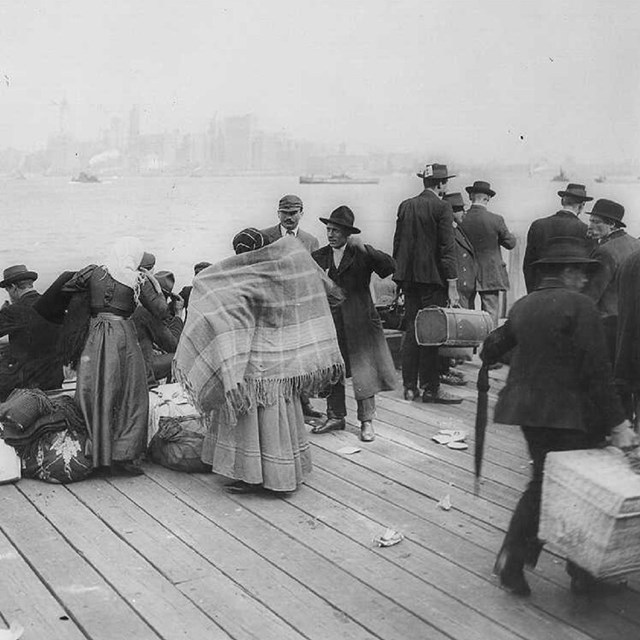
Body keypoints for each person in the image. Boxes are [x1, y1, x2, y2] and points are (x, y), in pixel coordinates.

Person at [481, 236, 636, 597]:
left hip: (526, 412)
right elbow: (597, 373)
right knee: (578, 488)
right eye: (581, 273)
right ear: (566, 272)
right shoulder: (581, 307)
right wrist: (619, 424)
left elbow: (493, 347)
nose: (584, 280)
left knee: (544, 481)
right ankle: (579, 572)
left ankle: (517, 560)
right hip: (569, 415)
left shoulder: (523, 305)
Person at [174, 228, 344, 493]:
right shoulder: (282, 272)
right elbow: (326, 294)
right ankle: (283, 474)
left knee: (253, 423)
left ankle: (255, 478)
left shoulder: (244, 279)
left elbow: (225, 310)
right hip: (282, 360)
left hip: (257, 364)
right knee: (278, 419)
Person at [61, 237, 173, 476]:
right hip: (122, 336)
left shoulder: (94, 273)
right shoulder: (138, 279)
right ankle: (121, 456)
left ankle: (95, 453)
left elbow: (68, 286)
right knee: (130, 393)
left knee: (93, 390)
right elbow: (161, 311)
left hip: (94, 335)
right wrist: (153, 281)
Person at [311, 206, 396, 442]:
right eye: (328, 229)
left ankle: (366, 422)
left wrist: (365, 248)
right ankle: (335, 416)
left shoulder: (361, 253)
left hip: (360, 321)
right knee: (333, 370)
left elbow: (389, 267)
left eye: (336, 230)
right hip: (332, 323)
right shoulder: (319, 257)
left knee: (364, 371)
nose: (330, 234)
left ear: (348, 234)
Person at [392, 162, 462, 404]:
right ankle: (431, 388)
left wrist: (400, 279)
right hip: (433, 282)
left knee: (411, 331)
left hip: (409, 280)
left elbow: (398, 244)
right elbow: (447, 250)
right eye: (446, 183)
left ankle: (409, 387)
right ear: (441, 184)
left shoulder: (406, 205)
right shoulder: (443, 207)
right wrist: (452, 285)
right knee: (430, 333)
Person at [261, 194, 323, 419]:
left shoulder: (311, 241)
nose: (289, 217)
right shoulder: (265, 236)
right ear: (278, 213)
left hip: (300, 307)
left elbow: (315, 275)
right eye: (285, 213)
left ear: (301, 214)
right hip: (273, 306)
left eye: (293, 213)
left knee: (301, 357)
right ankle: (277, 404)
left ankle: (303, 403)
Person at [582, 198, 640, 363]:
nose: (590, 226)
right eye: (590, 221)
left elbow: (591, 295)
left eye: (596, 222)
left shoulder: (605, 252)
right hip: (631, 322)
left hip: (607, 324)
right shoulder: (636, 244)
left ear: (612, 225)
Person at [0, 264, 63, 400]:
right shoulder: (52, 305)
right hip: (54, 380)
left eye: (8, 290)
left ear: (13, 287)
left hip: (26, 384)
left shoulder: (12, 311)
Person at [458, 180, 516, 327]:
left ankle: (469, 348)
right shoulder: (496, 219)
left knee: (466, 314)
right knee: (490, 315)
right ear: (488, 198)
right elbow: (510, 243)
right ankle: (488, 347)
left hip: (466, 273)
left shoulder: (461, 219)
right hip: (490, 274)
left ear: (471, 196)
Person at [522, 183, 592, 293]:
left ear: (562, 201)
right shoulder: (585, 230)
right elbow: (587, 269)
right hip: (572, 294)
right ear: (582, 205)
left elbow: (528, 265)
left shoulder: (538, 225)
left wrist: (532, 293)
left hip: (541, 291)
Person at [132, 270, 184, 387]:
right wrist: (178, 314)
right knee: (181, 357)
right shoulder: (146, 312)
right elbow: (173, 345)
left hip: (128, 365)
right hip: (141, 370)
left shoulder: (134, 305)